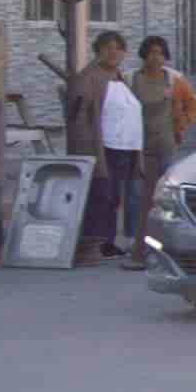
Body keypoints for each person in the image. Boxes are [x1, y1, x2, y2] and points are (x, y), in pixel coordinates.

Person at [125, 37, 196, 267]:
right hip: (139, 147)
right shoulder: (130, 79)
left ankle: (165, 247)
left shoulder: (175, 80)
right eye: (151, 53)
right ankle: (138, 248)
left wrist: (183, 124)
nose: (155, 57)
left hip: (167, 145)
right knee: (140, 198)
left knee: (166, 199)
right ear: (143, 55)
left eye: (160, 53)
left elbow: (192, 104)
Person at [75, 32, 142, 261]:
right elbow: (80, 114)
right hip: (103, 147)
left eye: (118, 48)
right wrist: (86, 148)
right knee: (101, 196)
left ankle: (108, 242)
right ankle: (94, 243)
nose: (113, 52)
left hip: (125, 147)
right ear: (98, 51)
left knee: (113, 198)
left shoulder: (120, 77)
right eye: (107, 48)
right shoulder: (90, 77)